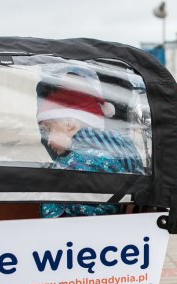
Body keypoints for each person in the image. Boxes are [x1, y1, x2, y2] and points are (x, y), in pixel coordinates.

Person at [36, 73, 143, 218]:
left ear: (70, 124)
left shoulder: (72, 165)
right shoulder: (123, 148)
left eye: (49, 130)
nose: (47, 141)